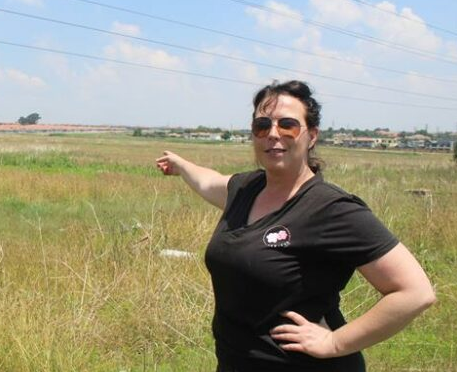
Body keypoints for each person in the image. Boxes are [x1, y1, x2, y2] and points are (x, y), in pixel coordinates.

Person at [156, 80, 435, 372]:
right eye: (262, 126)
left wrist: (335, 343)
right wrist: (180, 165)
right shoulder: (245, 189)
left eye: (287, 125)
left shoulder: (331, 209)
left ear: (311, 135)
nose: (273, 134)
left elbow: (415, 292)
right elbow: (208, 180)